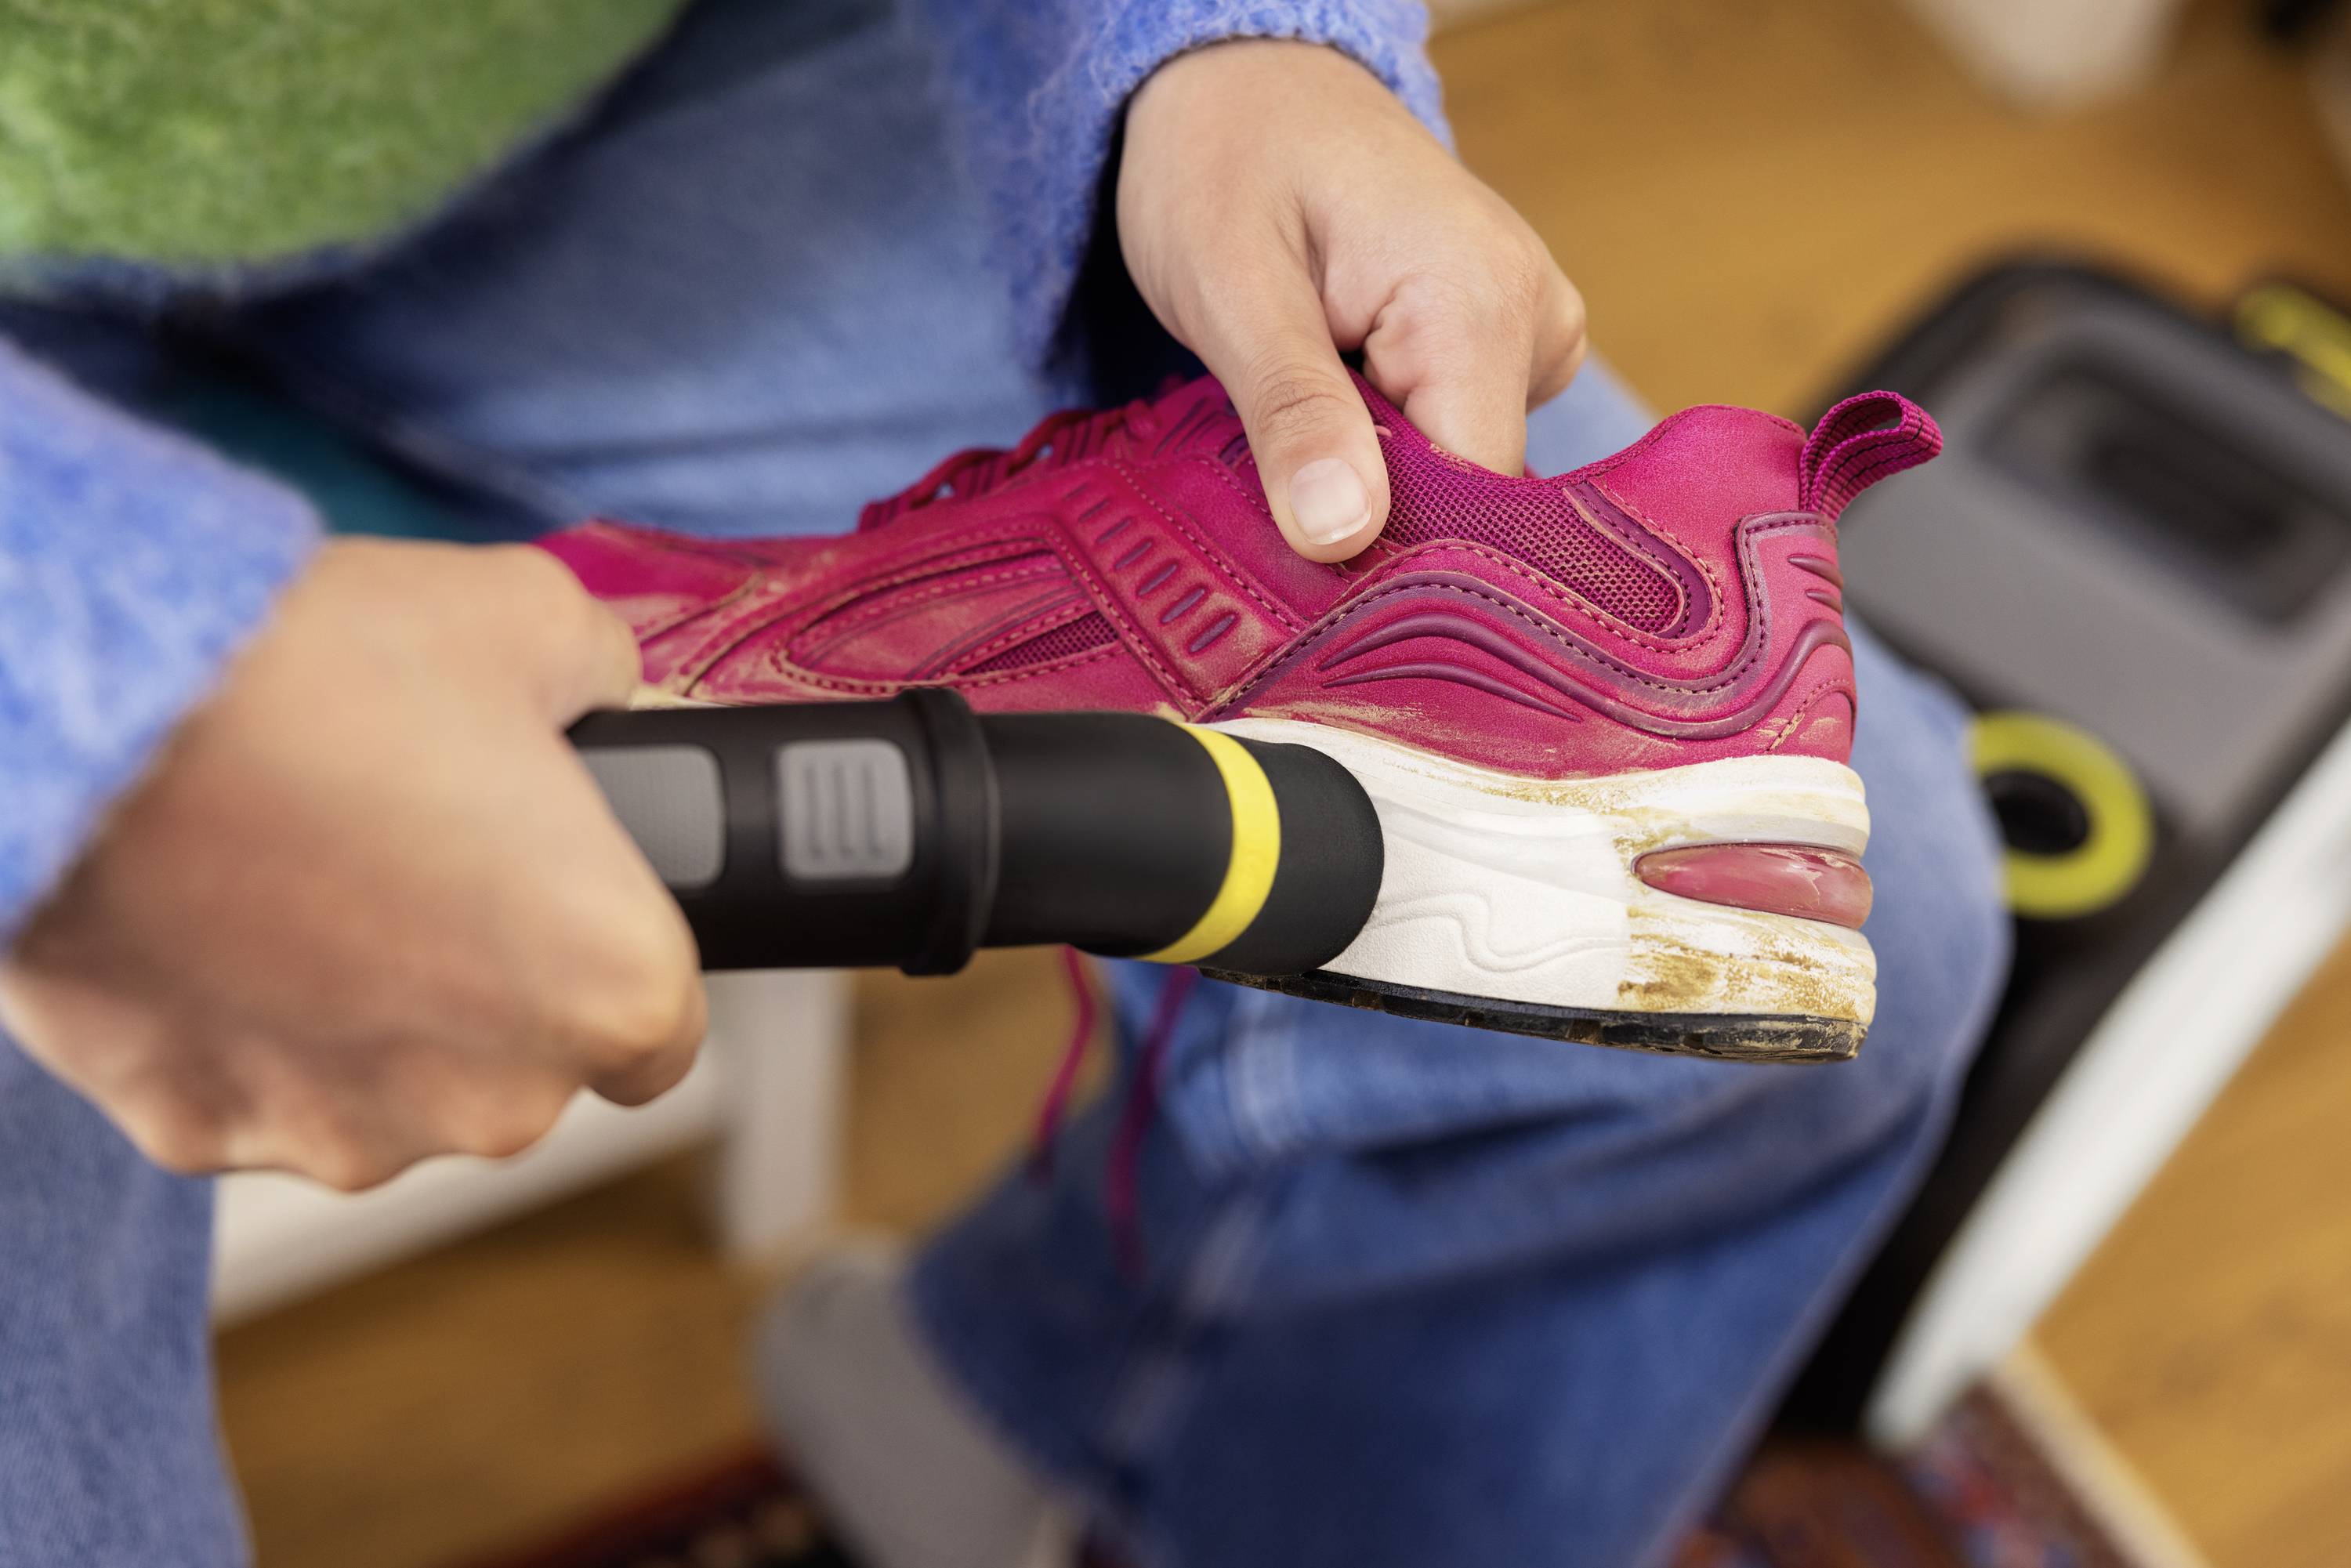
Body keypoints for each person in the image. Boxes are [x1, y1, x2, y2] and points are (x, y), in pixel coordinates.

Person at [0, 1, 2009, 1563]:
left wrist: (1221, 46)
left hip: (594, 106)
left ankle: (1067, 1439)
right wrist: (93, 685)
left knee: (1860, 933)